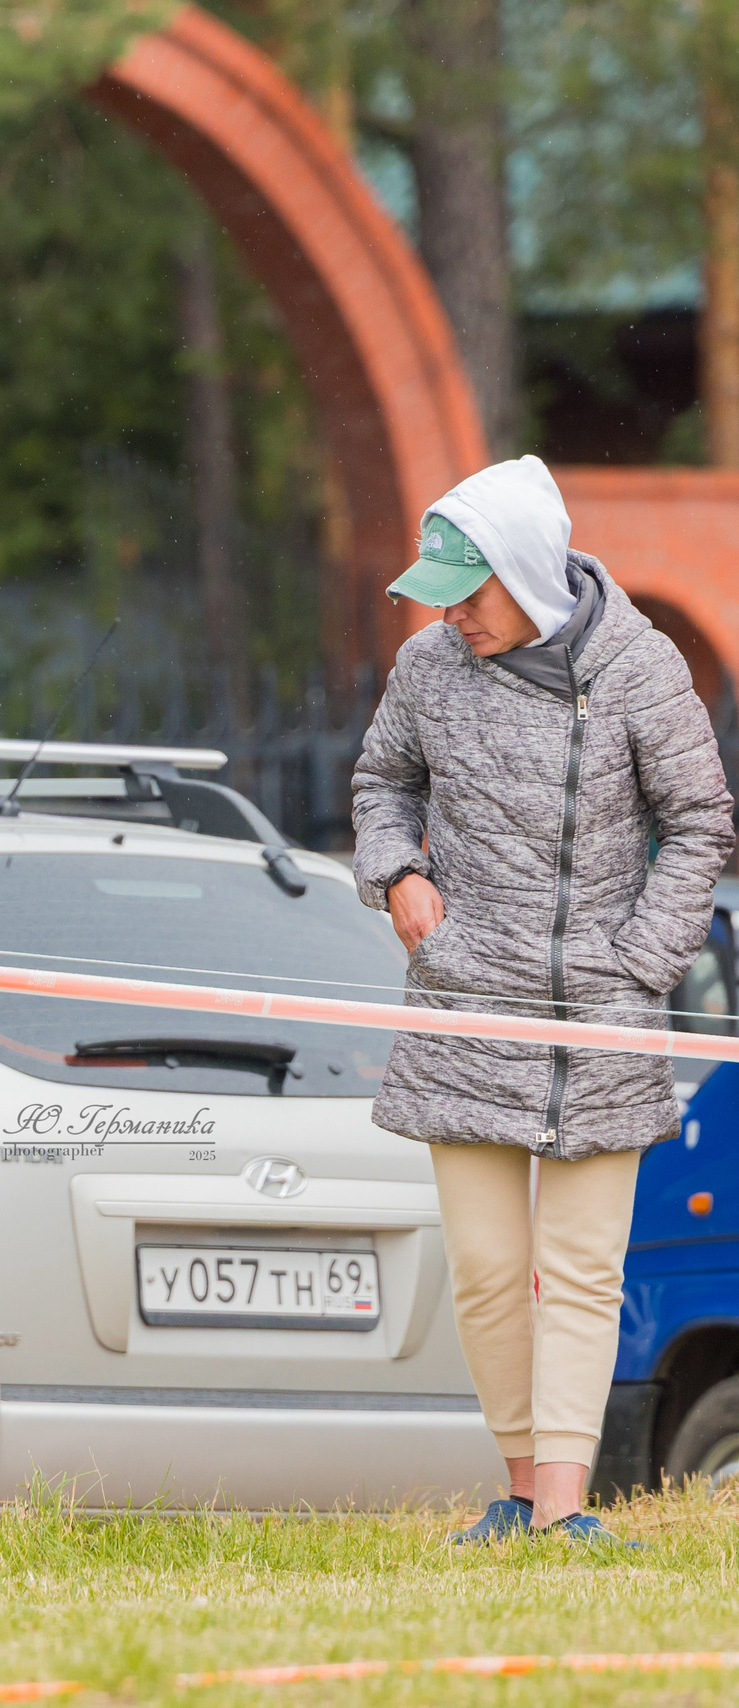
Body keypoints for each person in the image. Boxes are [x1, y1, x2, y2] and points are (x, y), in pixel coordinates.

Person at [353, 454, 734, 1546]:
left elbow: (699, 820)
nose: (450, 614)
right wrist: (398, 874)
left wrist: (638, 960)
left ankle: (562, 1511)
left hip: (598, 1023)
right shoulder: (427, 667)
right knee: (482, 1270)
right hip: (464, 1011)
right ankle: (517, 1489)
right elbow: (383, 784)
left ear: (524, 574)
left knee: (580, 1271)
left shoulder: (638, 665)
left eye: (466, 592)